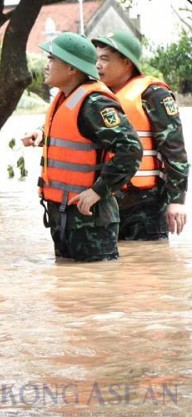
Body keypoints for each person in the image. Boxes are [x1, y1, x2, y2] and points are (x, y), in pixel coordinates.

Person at [22, 32, 141, 262]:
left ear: (71, 68)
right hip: (64, 216)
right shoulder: (66, 98)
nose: (46, 65)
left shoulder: (95, 103)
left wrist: (98, 190)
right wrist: (42, 134)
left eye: (52, 59)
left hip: (90, 220)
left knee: (97, 282)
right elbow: (78, 135)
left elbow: (131, 149)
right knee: (69, 281)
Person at [92, 30, 188, 240]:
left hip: (146, 203)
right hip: (107, 200)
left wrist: (177, 200)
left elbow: (174, 149)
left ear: (127, 63)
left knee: (148, 257)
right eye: (96, 59)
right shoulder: (98, 97)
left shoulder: (154, 95)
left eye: (105, 59)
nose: (97, 65)